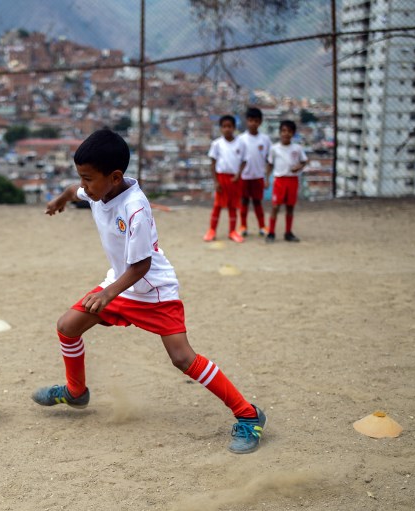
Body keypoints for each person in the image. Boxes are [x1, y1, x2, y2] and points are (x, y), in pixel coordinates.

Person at [31, 129, 266, 454]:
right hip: (119, 284)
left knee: (183, 358)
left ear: (115, 177)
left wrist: (108, 293)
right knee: (67, 327)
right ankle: (75, 392)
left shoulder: (136, 209)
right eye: (81, 177)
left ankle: (249, 415)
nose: (84, 185)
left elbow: (140, 266)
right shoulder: (98, 190)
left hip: (152, 290)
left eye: (88, 179)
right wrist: (62, 198)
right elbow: (75, 191)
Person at [203, 115, 245, 243]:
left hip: (234, 179)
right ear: (221, 128)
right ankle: (212, 230)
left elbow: (244, 161)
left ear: (234, 128)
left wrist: (238, 174)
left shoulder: (240, 143)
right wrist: (216, 181)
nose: (227, 129)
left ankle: (232, 231)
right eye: (224, 126)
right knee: (218, 205)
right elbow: (213, 163)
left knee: (233, 206)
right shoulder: (217, 144)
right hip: (222, 178)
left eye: (230, 126)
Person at [265, 120, 308, 243]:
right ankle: (271, 232)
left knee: (290, 207)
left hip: (292, 180)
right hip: (280, 180)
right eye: (284, 131)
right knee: (275, 207)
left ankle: (288, 232)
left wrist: (298, 167)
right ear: (280, 133)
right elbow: (270, 164)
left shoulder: (297, 148)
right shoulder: (274, 149)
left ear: (293, 133)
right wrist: (267, 179)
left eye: (289, 131)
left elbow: (304, 161)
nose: (286, 134)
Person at [237, 107, 271, 237]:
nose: (253, 123)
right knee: (244, 201)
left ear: (260, 122)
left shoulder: (265, 140)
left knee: (257, 202)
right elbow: (238, 159)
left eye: (256, 121)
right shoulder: (241, 139)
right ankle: (243, 226)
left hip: (258, 176)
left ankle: (262, 226)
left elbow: (269, 160)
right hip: (244, 176)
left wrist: (267, 178)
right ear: (247, 121)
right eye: (250, 120)